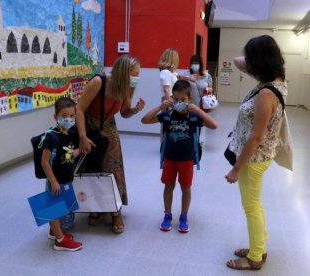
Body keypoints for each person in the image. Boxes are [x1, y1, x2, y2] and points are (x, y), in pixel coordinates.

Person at [224, 35, 288, 270]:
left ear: (258, 62)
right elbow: (237, 60)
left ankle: (254, 258)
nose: (246, 62)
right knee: (255, 204)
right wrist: (255, 56)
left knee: (251, 207)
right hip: (260, 156)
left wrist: (236, 169)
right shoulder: (278, 79)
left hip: (254, 158)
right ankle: (258, 247)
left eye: (252, 58)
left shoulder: (266, 93)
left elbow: (256, 136)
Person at [76, 54, 145, 234]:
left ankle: (115, 211)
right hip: (89, 126)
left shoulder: (126, 87)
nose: (136, 77)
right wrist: (83, 137)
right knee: (91, 167)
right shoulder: (99, 82)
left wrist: (135, 110)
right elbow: (80, 109)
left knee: (112, 168)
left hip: (109, 126)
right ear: (124, 72)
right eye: (134, 73)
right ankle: (96, 207)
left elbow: (124, 113)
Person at [141, 80, 217, 233]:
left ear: (189, 99)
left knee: (186, 188)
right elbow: (145, 120)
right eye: (176, 99)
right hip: (169, 158)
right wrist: (161, 106)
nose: (179, 102)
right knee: (168, 186)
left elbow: (214, 125)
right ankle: (167, 215)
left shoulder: (194, 117)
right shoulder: (168, 115)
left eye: (183, 99)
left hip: (187, 159)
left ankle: (183, 216)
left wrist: (198, 110)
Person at [41, 97, 82, 251]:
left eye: (72, 116)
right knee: (53, 208)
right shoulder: (51, 136)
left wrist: (82, 149)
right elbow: (45, 161)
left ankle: (54, 231)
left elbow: (68, 155)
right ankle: (60, 240)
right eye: (64, 115)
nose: (68, 119)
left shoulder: (69, 134)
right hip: (55, 180)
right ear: (55, 117)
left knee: (60, 207)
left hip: (65, 178)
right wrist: (52, 181)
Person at [179, 54, 214, 145]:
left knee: (199, 124)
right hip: (188, 105)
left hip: (202, 105)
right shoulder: (186, 74)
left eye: (197, 63)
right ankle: (187, 141)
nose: (195, 65)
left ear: (200, 64)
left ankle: (196, 141)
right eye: (193, 63)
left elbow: (210, 87)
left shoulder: (206, 76)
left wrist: (209, 90)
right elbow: (181, 87)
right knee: (188, 123)